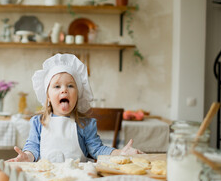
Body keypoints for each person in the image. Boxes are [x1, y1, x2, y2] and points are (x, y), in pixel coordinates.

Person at [8, 53, 143, 163]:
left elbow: (97, 150)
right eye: (57, 86)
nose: (64, 90)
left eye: (70, 86)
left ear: (78, 95)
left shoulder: (85, 124)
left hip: (78, 177)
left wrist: (120, 153)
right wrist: (26, 156)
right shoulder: (38, 122)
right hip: (46, 177)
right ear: (47, 96)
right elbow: (33, 149)